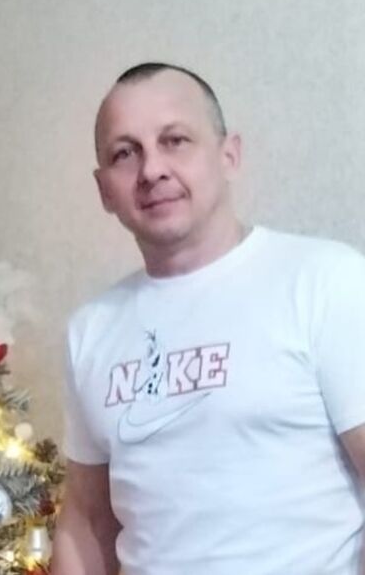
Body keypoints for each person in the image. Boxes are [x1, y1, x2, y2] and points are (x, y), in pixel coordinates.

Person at [51, 62, 365, 575]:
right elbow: (87, 520)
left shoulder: (326, 280)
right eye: (125, 153)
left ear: (228, 154)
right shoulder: (91, 330)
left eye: (174, 140)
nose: (152, 169)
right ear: (105, 189)